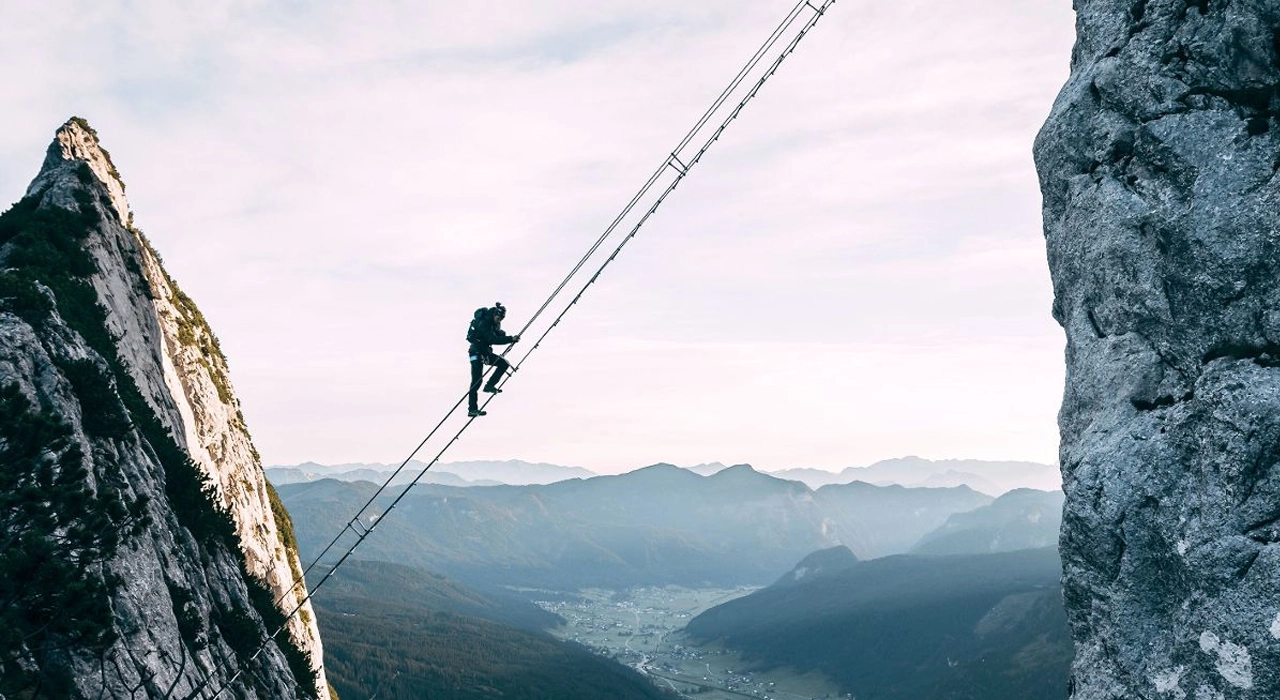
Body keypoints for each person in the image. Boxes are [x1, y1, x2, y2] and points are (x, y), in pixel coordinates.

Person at [466, 302, 520, 417]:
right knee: (477, 381)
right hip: (476, 353)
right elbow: (492, 339)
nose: (499, 320)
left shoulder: (494, 324)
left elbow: (496, 336)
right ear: (495, 314)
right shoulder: (485, 323)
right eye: (498, 317)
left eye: (501, 318)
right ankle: (472, 409)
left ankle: (489, 386)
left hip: (485, 353)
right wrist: (510, 339)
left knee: (503, 364)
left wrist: (505, 336)